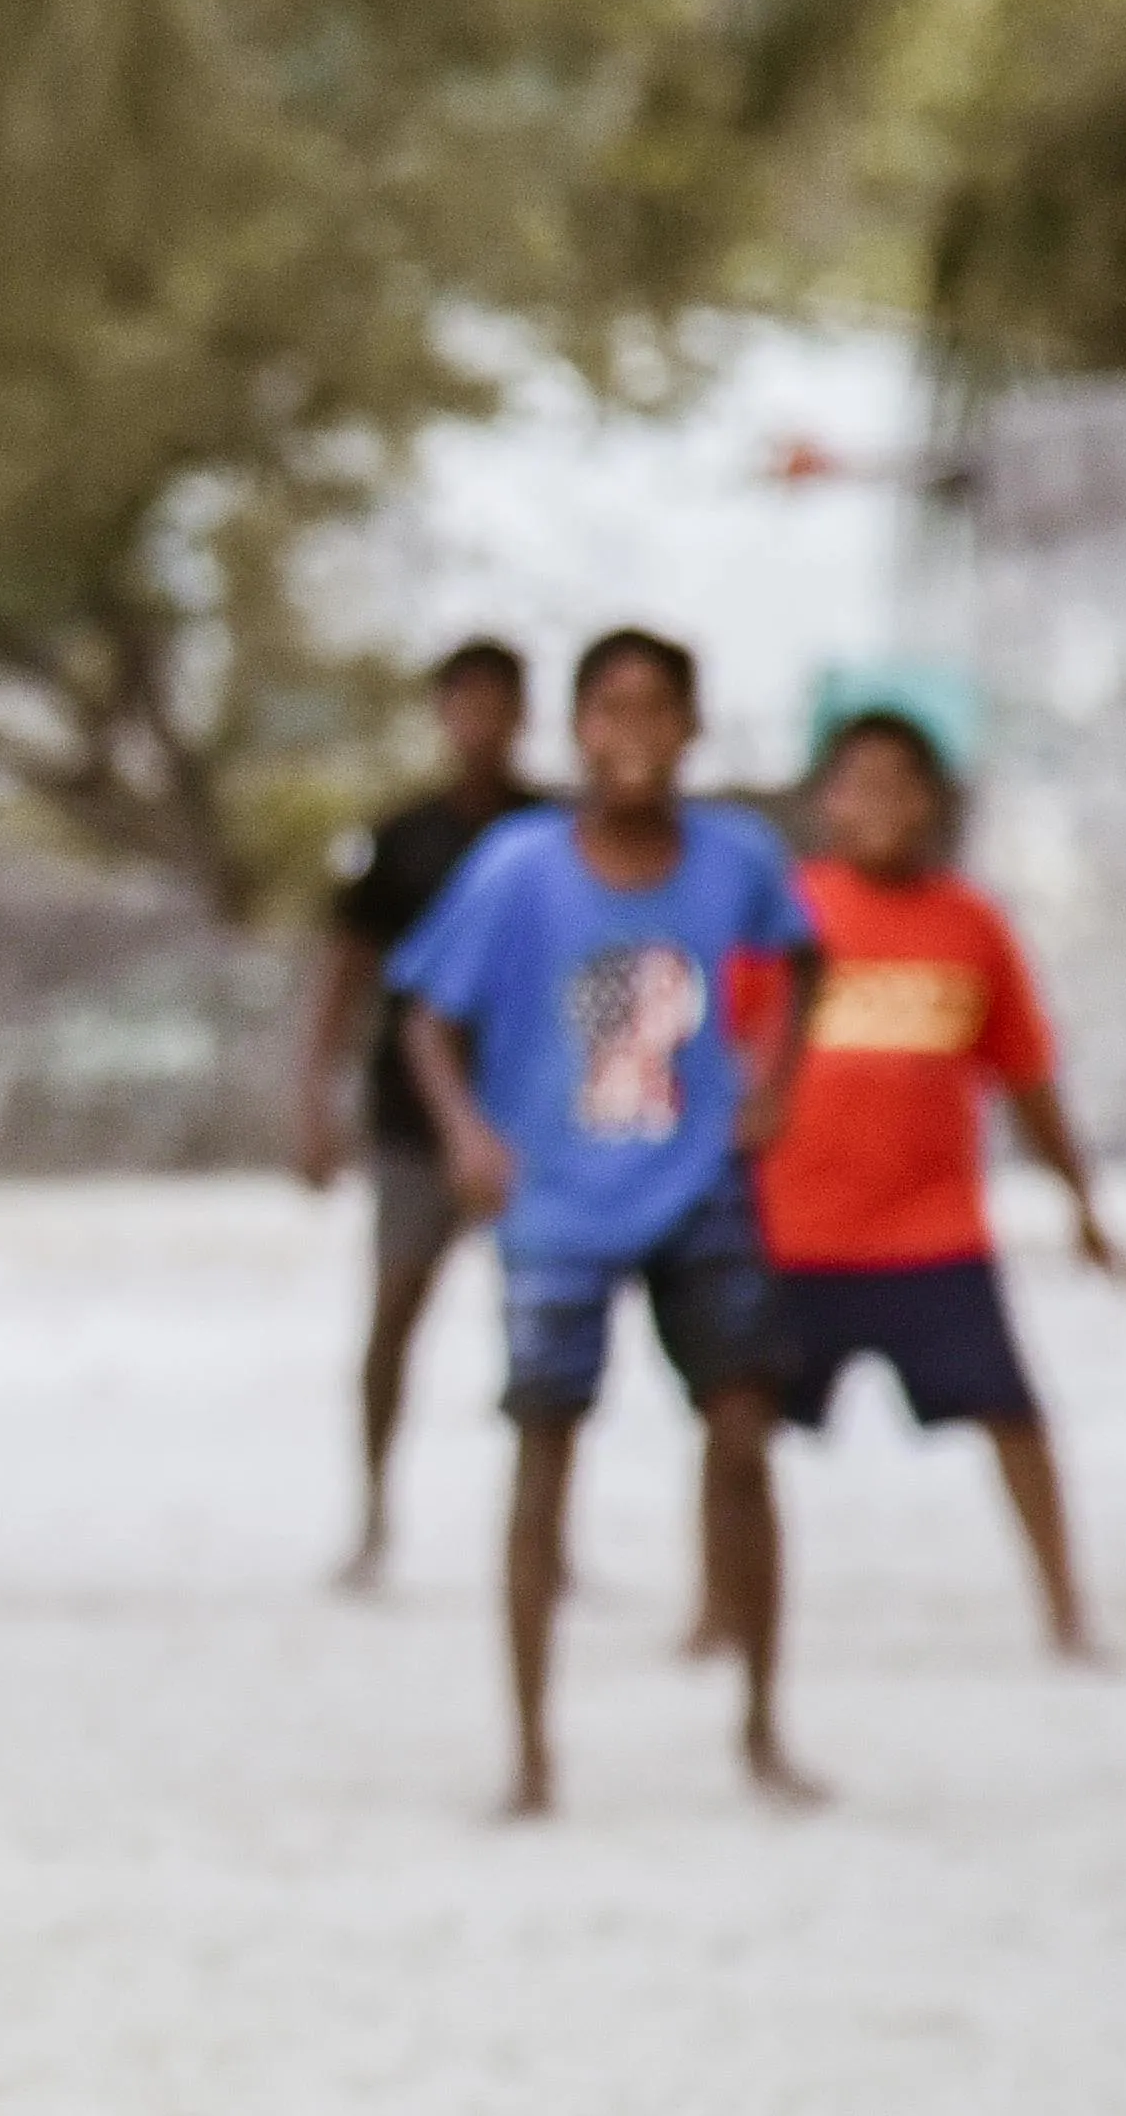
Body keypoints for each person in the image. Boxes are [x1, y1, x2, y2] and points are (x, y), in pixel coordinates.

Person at [388, 629, 824, 1819]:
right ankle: (531, 1752)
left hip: (697, 1186)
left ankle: (762, 1722)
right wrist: (470, 1135)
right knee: (542, 1452)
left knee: (743, 1434)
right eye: (608, 711)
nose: (631, 737)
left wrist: (773, 1076)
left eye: (656, 711)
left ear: (690, 729)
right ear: (576, 727)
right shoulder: (520, 868)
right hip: (557, 1206)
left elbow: (798, 956)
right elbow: (425, 1014)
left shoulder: (733, 856)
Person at [744, 707, 1126, 1657]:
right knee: (738, 1425)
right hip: (796, 1234)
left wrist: (1081, 1204)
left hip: (933, 1236)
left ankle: (1065, 1610)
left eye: (899, 785)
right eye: (857, 783)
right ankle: (721, 1612)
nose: (878, 805)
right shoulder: (784, 918)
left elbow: (1027, 1080)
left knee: (1014, 1415)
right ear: (826, 802)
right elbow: (720, 1066)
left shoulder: (971, 926)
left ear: (932, 805)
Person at [292, 639, 546, 1587]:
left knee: (548, 1331)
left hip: (533, 1120)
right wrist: (313, 1098)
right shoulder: (399, 841)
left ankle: (542, 1536)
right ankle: (373, 1517)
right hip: (410, 1118)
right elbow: (346, 974)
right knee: (394, 1315)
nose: (479, 723)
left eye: (496, 704)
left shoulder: (556, 833)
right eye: (464, 704)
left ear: (523, 714)